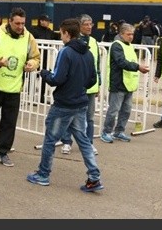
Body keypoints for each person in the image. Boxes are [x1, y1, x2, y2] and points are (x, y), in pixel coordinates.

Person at [26, 18, 103, 192]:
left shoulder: (66, 52)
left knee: (50, 139)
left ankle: (43, 174)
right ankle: (94, 176)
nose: (61, 37)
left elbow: (57, 79)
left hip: (63, 103)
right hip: (81, 102)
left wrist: (44, 74)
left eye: (61, 33)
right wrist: (79, 87)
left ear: (67, 33)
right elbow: (92, 79)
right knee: (83, 140)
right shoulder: (89, 53)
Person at [0, 7, 41, 167]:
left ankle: (2, 152)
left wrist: (31, 64)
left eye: (23, 24)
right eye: (17, 23)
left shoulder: (29, 37)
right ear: (9, 21)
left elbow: (36, 57)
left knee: (9, 122)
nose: (20, 27)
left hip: (14, 88)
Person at [100, 23, 150, 143]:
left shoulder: (129, 46)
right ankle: (106, 132)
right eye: (128, 34)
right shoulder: (117, 46)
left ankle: (119, 131)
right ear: (121, 34)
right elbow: (121, 62)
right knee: (113, 110)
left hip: (128, 83)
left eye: (132, 34)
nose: (131, 36)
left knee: (126, 110)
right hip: (118, 83)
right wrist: (138, 67)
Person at [59, 14, 101, 156]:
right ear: (79, 26)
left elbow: (97, 64)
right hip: (76, 85)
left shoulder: (94, 42)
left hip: (90, 86)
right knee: (70, 116)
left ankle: (88, 143)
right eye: (86, 24)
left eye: (91, 24)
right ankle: (66, 142)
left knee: (89, 116)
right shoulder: (73, 41)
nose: (89, 27)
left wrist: (98, 84)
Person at [31, 14, 57, 104]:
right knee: (33, 76)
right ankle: (32, 96)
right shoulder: (34, 31)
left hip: (45, 57)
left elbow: (57, 36)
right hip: (35, 57)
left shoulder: (49, 31)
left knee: (43, 76)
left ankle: (41, 96)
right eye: (46, 21)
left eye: (49, 21)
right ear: (41, 21)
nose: (48, 23)